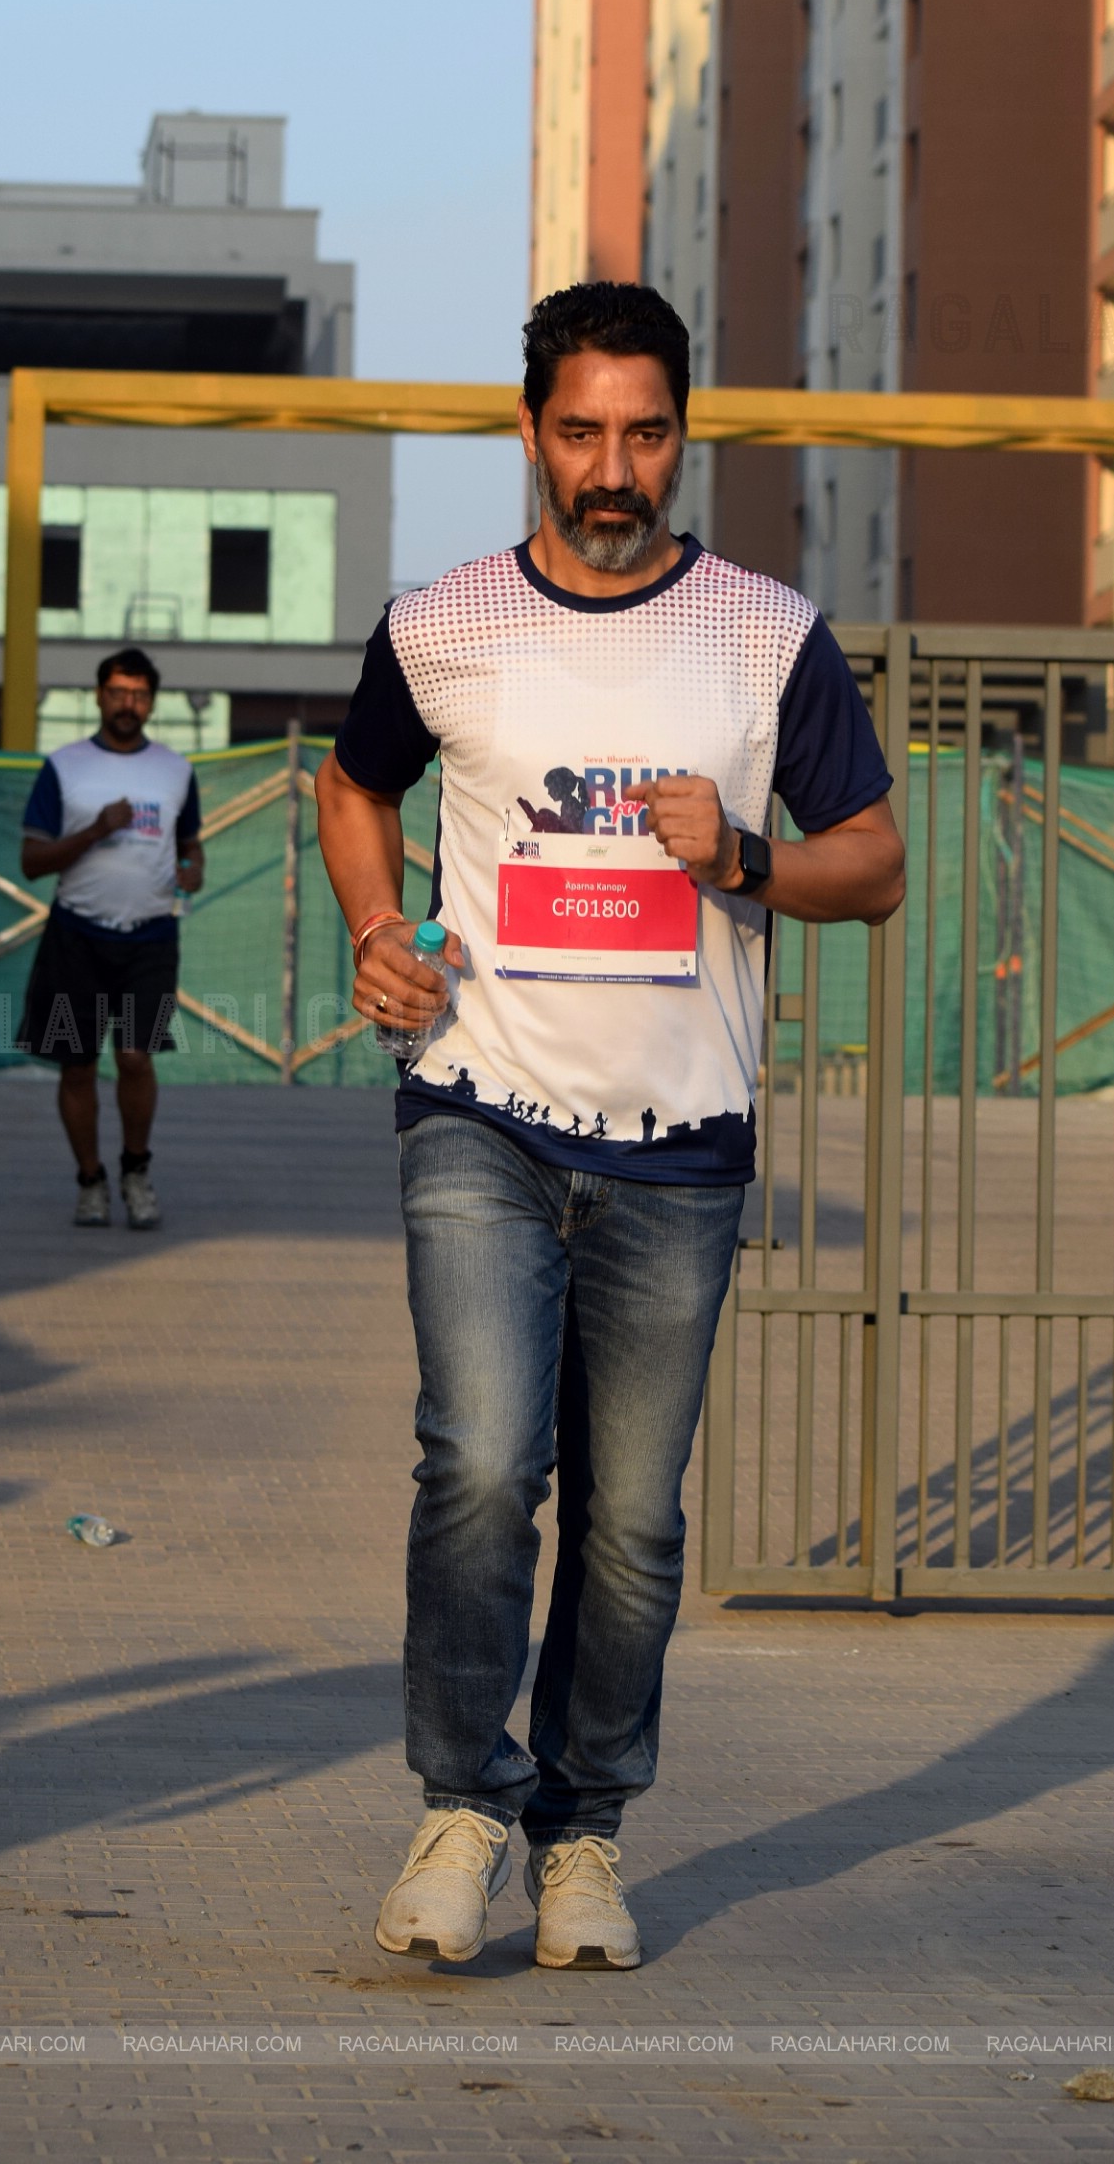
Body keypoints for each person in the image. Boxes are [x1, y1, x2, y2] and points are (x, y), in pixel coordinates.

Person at [317, 280, 904, 1972]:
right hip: (480, 1116)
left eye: (644, 432)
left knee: (635, 1524)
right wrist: (377, 938)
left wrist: (743, 859)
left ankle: (584, 1835)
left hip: (683, 1146)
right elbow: (356, 785)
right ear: (531, 435)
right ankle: (461, 1803)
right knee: (487, 1463)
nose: (611, 465)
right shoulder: (440, 629)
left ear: (681, 435)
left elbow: (870, 856)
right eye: (580, 431)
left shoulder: (761, 635)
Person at [17, 647, 204, 1230]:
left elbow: (190, 844)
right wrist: (97, 829)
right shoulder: (65, 767)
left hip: (150, 937)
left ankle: (136, 1170)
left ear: (152, 701)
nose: (129, 705)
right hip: (77, 934)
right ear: (98, 695)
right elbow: (30, 860)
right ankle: (90, 1180)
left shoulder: (175, 769)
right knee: (77, 1064)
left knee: (134, 1056)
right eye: (119, 693)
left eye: (140, 695)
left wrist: (193, 866)